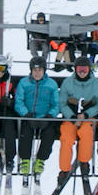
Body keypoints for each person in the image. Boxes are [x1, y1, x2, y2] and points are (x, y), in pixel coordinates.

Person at [15, 55, 59, 186]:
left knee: (49, 134)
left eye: (40, 70)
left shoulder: (51, 85)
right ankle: (25, 160)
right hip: (29, 117)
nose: (37, 73)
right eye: (35, 70)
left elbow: (56, 104)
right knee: (25, 134)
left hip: (45, 117)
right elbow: (19, 101)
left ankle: (40, 160)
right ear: (31, 70)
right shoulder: (24, 83)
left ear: (44, 70)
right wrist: (26, 114)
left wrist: (50, 116)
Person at [57, 56, 98, 182]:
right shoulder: (68, 83)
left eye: (85, 69)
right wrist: (72, 117)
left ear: (89, 70)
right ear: (75, 69)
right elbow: (62, 103)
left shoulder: (97, 85)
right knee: (67, 137)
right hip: (71, 116)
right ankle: (64, 169)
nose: (82, 72)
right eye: (79, 69)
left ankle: (84, 162)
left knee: (86, 133)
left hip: (88, 117)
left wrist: (86, 114)